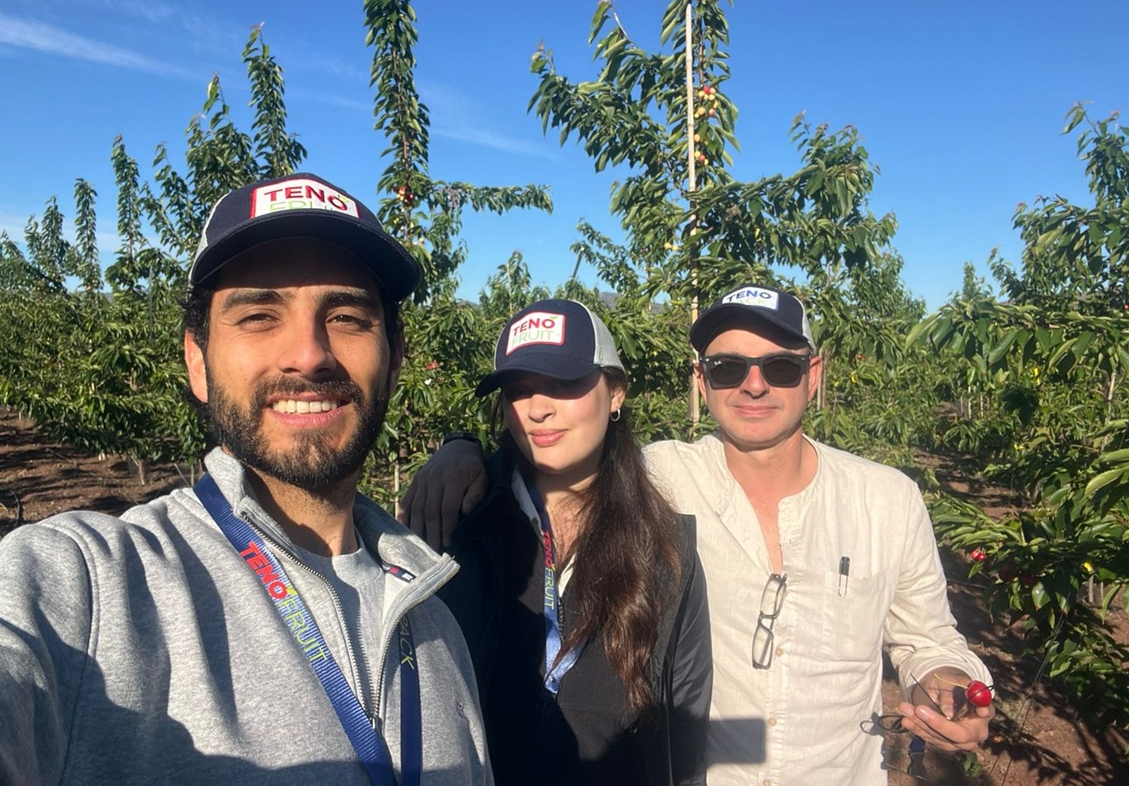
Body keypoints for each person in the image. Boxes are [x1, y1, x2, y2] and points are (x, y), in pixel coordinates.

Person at [0, 172, 491, 785]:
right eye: (257, 315)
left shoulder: (434, 620)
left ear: (395, 360)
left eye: (348, 315)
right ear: (197, 362)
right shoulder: (96, 587)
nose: (308, 353)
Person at [400, 284, 994, 786]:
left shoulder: (887, 499)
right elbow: (554, 455)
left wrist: (945, 680)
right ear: (701, 380)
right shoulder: (660, 479)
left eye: (780, 366)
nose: (754, 385)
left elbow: (927, 637)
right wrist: (462, 450)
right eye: (728, 367)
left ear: (815, 373)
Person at [435, 299, 712, 786]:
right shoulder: (458, 525)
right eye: (519, 390)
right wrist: (458, 444)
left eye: (563, 384)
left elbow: (683, 730)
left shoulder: (667, 550)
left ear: (617, 393)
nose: (538, 409)